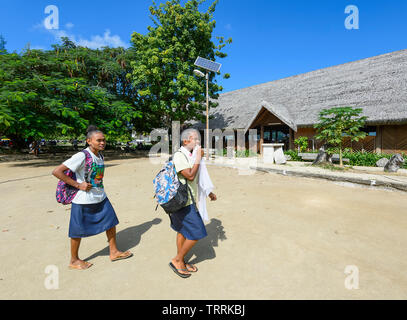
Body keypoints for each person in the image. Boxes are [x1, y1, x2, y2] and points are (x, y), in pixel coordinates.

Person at [52, 126, 132, 270]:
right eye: (98, 140)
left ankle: (113, 251)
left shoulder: (100, 155)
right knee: (77, 231)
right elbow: (57, 171)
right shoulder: (82, 155)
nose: (102, 143)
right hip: (83, 200)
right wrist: (78, 185)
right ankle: (74, 260)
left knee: (111, 222)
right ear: (89, 141)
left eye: (104, 140)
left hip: (100, 197)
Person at [168, 128, 217, 278]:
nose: (198, 142)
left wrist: (208, 192)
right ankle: (177, 260)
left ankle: (181, 259)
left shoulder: (190, 155)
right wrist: (198, 158)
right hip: (183, 202)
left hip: (186, 200)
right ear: (185, 141)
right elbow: (189, 175)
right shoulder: (179, 155)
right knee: (197, 232)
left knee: (182, 231)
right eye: (194, 139)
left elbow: (199, 176)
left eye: (198, 140)